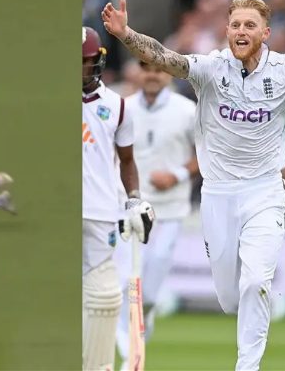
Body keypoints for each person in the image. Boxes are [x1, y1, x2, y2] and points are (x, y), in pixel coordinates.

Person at [102, 0, 285, 371]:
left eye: (249, 25)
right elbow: (166, 58)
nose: (241, 31)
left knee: (257, 280)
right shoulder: (211, 68)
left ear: (266, 32)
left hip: (265, 192)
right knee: (231, 297)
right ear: (227, 30)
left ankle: (248, 366)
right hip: (218, 194)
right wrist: (126, 33)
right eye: (235, 25)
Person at [112, 60, 198, 370]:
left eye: (158, 69)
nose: (151, 75)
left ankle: (140, 330)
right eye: (146, 68)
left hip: (171, 210)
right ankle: (131, 356)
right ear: (138, 72)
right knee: (125, 282)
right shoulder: (122, 106)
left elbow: (206, 154)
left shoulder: (187, 110)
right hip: (128, 208)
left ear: (168, 73)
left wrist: (176, 174)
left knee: (147, 294)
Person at [82, 26, 155, 371]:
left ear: (98, 61)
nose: (80, 69)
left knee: (105, 296)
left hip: (100, 211)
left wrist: (135, 200)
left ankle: (97, 366)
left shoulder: (118, 106)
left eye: (86, 62)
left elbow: (127, 161)